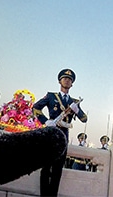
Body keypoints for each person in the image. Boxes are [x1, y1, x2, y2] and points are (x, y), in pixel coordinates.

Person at [33, 68, 88, 196]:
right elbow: (35, 108)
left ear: (72, 84)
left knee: (58, 169)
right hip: (50, 133)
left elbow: (84, 119)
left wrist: (77, 110)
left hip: (63, 136)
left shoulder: (74, 102)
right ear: (60, 81)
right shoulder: (51, 96)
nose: (67, 81)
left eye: (70, 80)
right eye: (65, 78)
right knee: (46, 167)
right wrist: (45, 121)